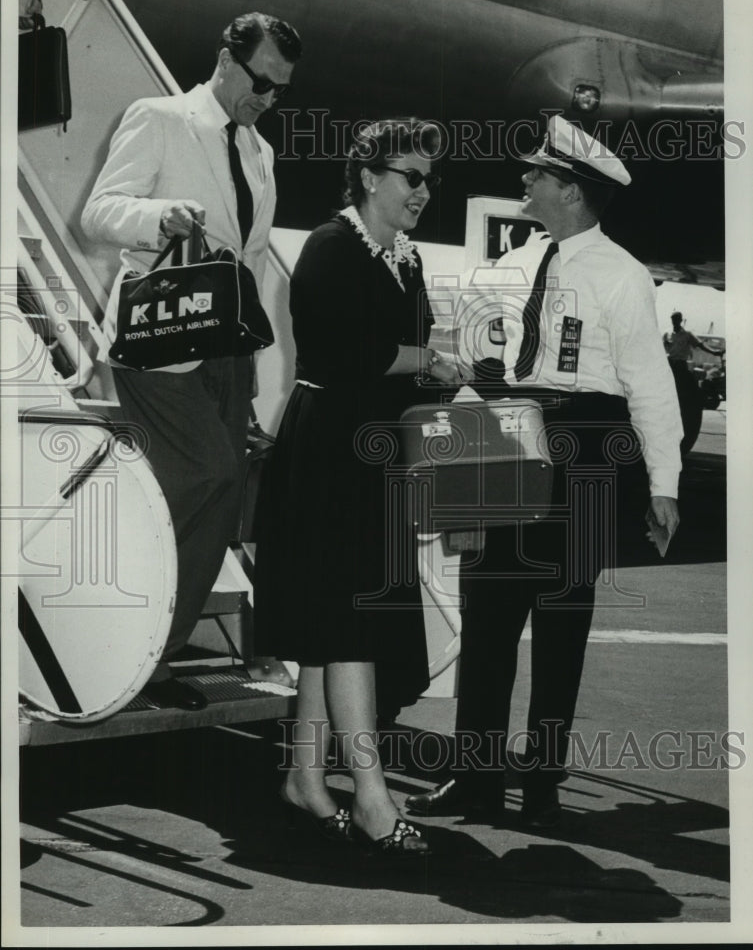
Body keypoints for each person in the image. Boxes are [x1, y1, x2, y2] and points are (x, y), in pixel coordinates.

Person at [405, 115, 683, 828]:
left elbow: (649, 384)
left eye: (537, 174)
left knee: (561, 621)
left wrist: (663, 485)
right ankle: (476, 777)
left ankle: (541, 784)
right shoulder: (513, 262)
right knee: (487, 615)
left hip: (584, 442)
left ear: (570, 191)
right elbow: (475, 351)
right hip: (503, 432)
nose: (523, 180)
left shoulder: (620, 275)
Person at [81, 12, 302, 710]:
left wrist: (258, 368)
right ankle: (106, 612)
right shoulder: (161, 117)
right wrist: (159, 215)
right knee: (204, 468)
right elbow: (98, 212)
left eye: (280, 90)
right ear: (226, 60)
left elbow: (255, 262)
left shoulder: (259, 153)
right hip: (157, 339)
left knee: (226, 493)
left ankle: (155, 655)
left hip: (223, 348)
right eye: (261, 81)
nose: (267, 98)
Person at [253, 118, 461, 853]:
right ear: (370, 177)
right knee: (349, 624)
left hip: (373, 455)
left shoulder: (402, 256)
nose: (423, 192)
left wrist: (433, 367)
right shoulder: (329, 245)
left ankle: (305, 780)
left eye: (429, 180)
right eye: (412, 177)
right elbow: (342, 350)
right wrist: (425, 360)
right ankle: (371, 798)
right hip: (327, 452)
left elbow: (411, 338)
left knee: (328, 627)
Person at [663, 311, 724, 455]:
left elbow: (701, 345)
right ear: (671, 320)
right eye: (673, 319)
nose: (675, 322)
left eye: (677, 319)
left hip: (681, 366)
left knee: (692, 392)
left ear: (680, 320)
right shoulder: (667, 334)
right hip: (668, 365)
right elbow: (661, 348)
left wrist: (714, 352)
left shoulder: (688, 335)